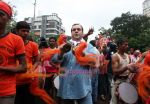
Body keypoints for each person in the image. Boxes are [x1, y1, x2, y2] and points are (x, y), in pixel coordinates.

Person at [51, 23, 99, 104]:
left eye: (78, 29)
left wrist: (81, 54)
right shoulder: (63, 45)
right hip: (66, 87)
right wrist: (61, 53)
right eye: (74, 30)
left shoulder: (88, 47)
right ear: (71, 33)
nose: (76, 31)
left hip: (83, 88)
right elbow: (53, 61)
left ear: (82, 32)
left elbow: (95, 64)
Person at [0, 1, 27, 104]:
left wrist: (1, 68)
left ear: (8, 18)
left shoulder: (16, 40)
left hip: (6, 92)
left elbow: (23, 67)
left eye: (1, 14)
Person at [15, 21, 39, 104]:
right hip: (13, 82)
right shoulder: (11, 44)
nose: (25, 33)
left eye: (27, 31)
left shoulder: (34, 45)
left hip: (29, 82)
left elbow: (37, 61)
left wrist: (32, 69)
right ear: (17, 31)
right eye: (23, 31)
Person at [110, 37, 138, 104]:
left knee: (125, 101)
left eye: (127, 45)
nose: (127, 46)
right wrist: (127, 67)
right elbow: (115, 72)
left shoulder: (128, 56)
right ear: (119, 45)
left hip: (127, 81)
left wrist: (134, 69)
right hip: (117, 82)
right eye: (125, 45)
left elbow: (130, 70)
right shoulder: (115, 56)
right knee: (115, 101)